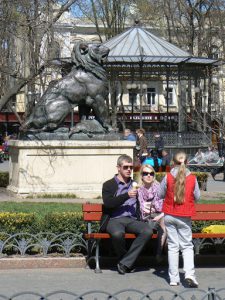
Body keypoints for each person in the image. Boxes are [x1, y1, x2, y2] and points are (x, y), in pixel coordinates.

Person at [102, 154, 153, 275]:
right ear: (118, 168)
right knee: (117, 234)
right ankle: (126, 262)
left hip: (132, 220)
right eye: (125, 167)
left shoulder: (135, 183)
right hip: (114, 219)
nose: (129, 170)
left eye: (131, 167)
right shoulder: (108, 185)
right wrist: (126, 195)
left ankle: (124, 263)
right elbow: (108, 203)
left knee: (147, 231)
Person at [159, 151, 200, 288]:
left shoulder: (168, 177)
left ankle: (173, 278)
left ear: (173, 163)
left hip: (170, 214)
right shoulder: (193, 178)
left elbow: (160, 194)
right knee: (187, 246)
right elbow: (198, 196)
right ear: (187, 162)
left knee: (173, 246)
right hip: (184, 215)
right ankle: (189, 275)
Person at [137, 164, 167, 262]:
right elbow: (141, 208)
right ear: (141, 176)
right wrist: (150, 207)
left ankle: (158, 253)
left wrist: (155, 211)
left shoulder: (159, 188)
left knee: (163, 221)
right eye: (145, 173)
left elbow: (162, 207)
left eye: (151, 173)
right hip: (144, 217)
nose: (149, 176)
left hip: (159, 216)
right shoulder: (138, 190)